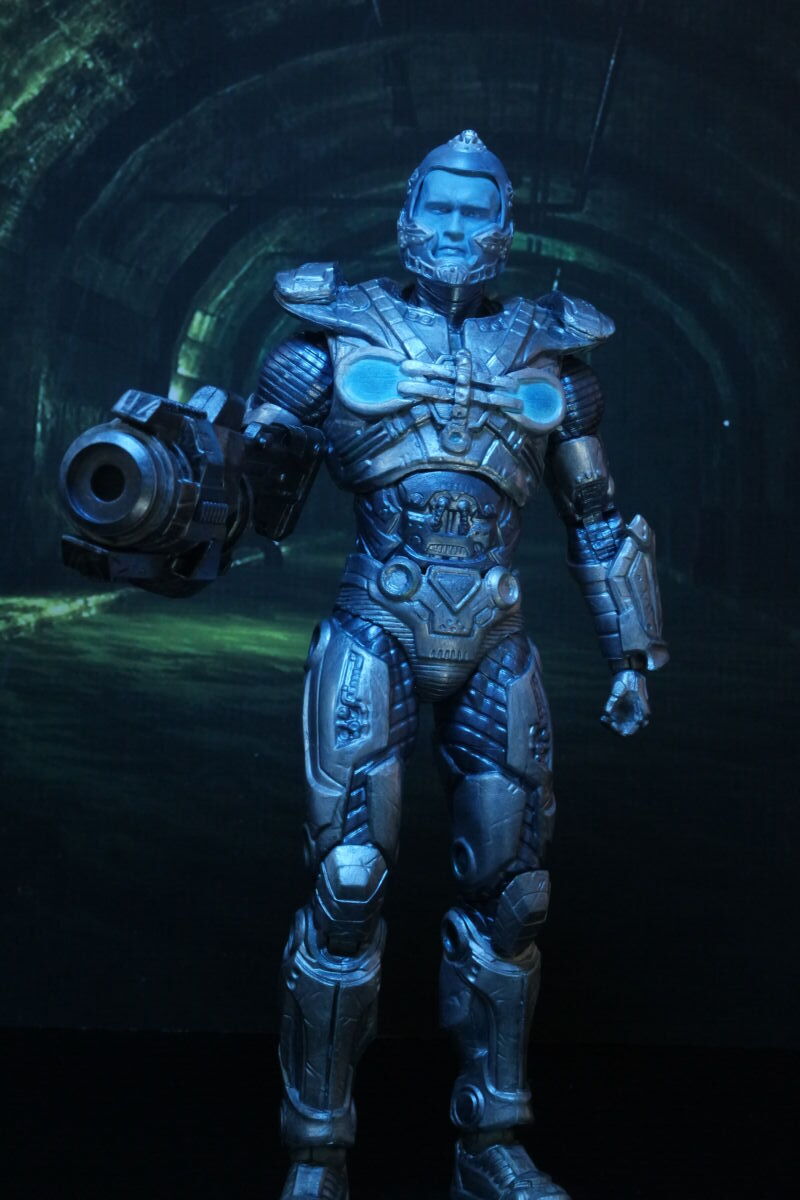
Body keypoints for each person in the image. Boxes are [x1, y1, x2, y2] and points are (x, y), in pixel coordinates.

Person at [60, 129, 667, 1200]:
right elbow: (260, 498)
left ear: (505, 226)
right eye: (439, 208)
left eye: (476, 211)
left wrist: (631, 651)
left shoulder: (553, 359)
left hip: (496, 639)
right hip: (373, 627)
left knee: (515, 897)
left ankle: (490, 1145)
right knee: (346, 884)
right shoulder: (327, 341)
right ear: (406, 216)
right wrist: (171, 494)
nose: (456, 228)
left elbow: (598, 514)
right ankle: (316, 1154)